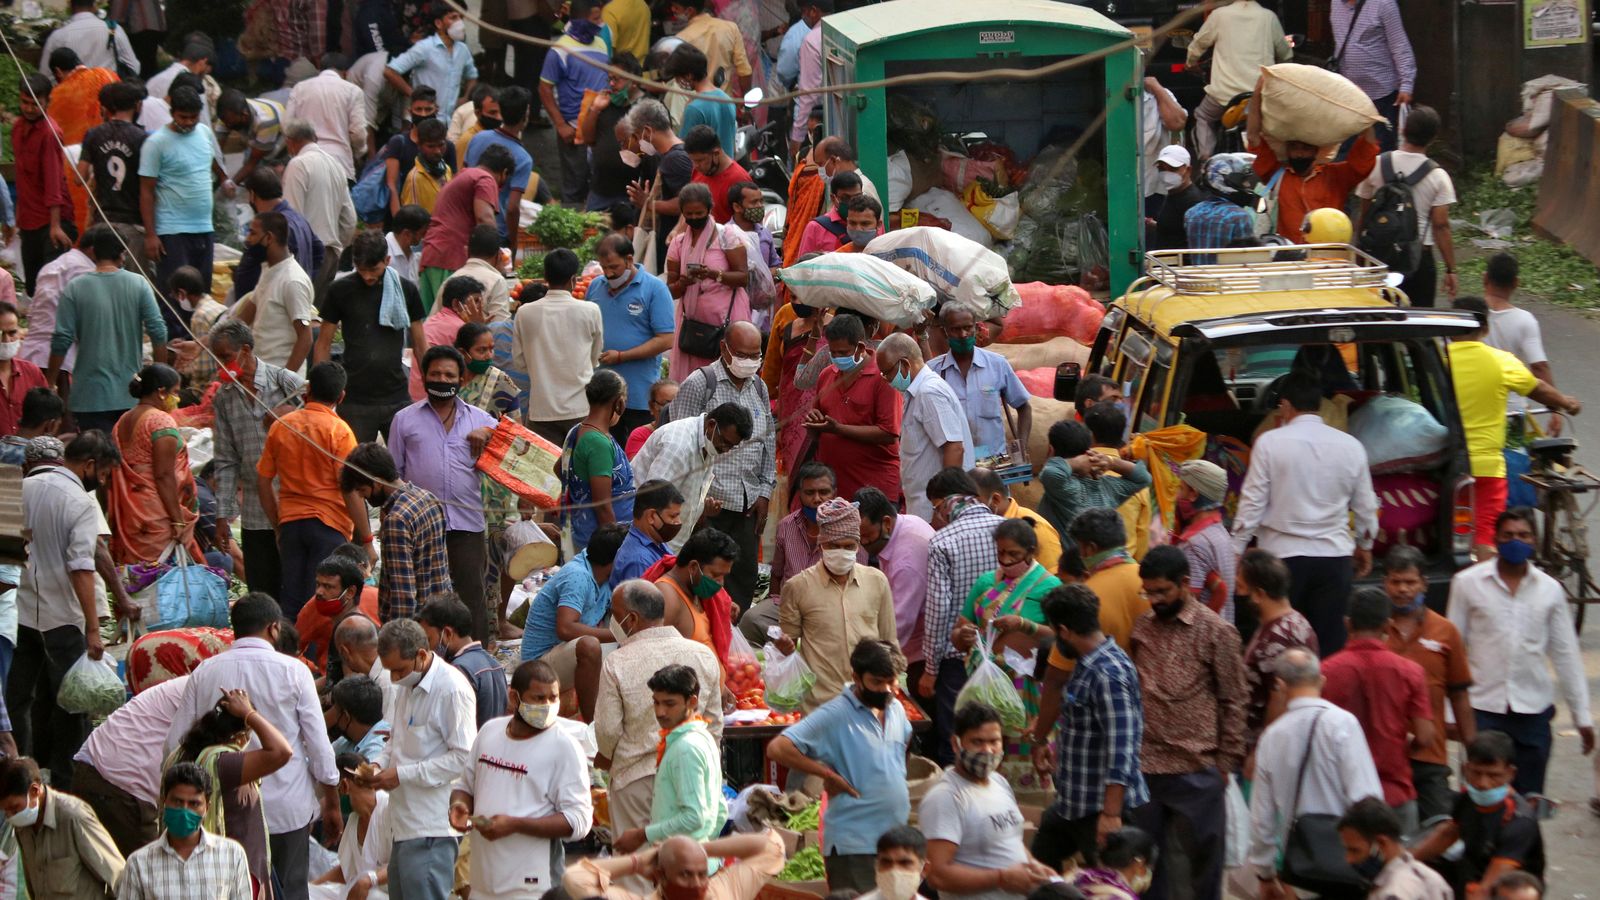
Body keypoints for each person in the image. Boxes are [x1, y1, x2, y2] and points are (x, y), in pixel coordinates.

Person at [164, 593, 341, 900]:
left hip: (223, 812)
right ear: (274, 629)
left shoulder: (206, 671)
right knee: (290, 890)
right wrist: (332, 801)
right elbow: (319, 747)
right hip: (286, 809)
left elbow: (175, 744)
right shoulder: (294, 670)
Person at [1128, 546, 1247, 900]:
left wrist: (1224, 764)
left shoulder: (1217, 632)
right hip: (1146, 764)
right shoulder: (1142, 628)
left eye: (1162, 591)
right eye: (1149, 592)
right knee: (1145, 864)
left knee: (1204, 864)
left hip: (1196, 766)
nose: (1155, 600)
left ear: (1185, 584)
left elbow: (1235, 699)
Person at [1232, 370, 1379, 655]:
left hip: (1282, 562)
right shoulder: (1351, 446)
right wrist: (1365, 546)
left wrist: (1236, 551)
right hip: (1334, 560)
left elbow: (1252, 503)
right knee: (1329, 650)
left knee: (1282, 646)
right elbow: (1365, 506)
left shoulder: (1270, 443)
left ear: (1285, 405)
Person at [1448, 506, 1592, 799]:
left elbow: (1565, 654)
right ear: (1497, 539)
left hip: (1532, 712)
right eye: (1509, 535)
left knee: (1529, 801)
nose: (1516, 541)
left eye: (1524, 535)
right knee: (1483, 795)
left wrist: (1582, 717)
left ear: (1534, 541)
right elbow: (1451, 650)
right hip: (1482, 709)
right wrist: (1449, 712)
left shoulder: (1550, 590)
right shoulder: (1467, 584)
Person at [9, 431, 118, 787]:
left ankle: (20, 770)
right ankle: (68, 781)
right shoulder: (81, 503)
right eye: (102, 475)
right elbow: (81, 568)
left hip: (19, 612)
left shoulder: (16, 487)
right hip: (63, 619)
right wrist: (91, 627)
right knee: (72, 705)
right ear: (88, 465)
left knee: (21, 698)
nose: (101, 483)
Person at [768, 639, 913, 893]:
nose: (888, 690)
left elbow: (901, 745)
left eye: (892, 681)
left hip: (893, 842)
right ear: (856, 678)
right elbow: (778, 748)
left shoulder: (897, 709)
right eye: (877, 683)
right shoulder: (835, 715)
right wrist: (825, 774)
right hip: (854, 846)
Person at [1447, 297, 1580, 556]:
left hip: (1447, 467)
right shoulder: (1501, 360)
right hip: (1488, 469)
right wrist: (1566, 403)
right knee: (1485, 536)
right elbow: (1538, 388)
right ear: (1485, 328)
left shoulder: (1439, 359)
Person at [450, 658, 593, 899]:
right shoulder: (490, 732)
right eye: (539, 698)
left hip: (533, 887)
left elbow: (579, 821)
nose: (547, 706)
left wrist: (515, 825)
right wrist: (459, 806)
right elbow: (466, 786)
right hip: (483, 882)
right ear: (514, 698)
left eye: (553, 698)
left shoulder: (565, 747)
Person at [595, 580, 724, 846]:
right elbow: (713, 724)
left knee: (635, 871)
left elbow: (607, 730)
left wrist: (607, 757)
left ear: (631, 618)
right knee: (684, 866)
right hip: (690, 771)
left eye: (615, 615)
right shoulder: (703, 655)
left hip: (635, 777)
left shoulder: (618, 662)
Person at [1247, 648, 1383, 900]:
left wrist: (1264, 873)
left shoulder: (1271, 737)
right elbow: (1368, 798)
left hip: (1300, 868)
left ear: (1279, 685)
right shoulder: (1343, 724)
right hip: (1348, 861)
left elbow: (1261, 819)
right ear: (1321, 681)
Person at [357, 619, 476, 900]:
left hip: (432, 825)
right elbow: (395, 742)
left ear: (421, 655)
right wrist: (377, 765)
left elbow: (463, 758)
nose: (394, 679)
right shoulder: (406, 687)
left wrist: (401, 774)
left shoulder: (452, 690)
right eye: (390, 672)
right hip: (405, 824)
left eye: (399, 670)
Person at [1030, 585, 1146, 873]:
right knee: (1042, 863)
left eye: (1056, 634)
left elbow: (1122, 747)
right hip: (1074, 801)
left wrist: (1111, 814)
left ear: (1064, 631)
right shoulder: (1087, 663)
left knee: (1108, 882)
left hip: (1099, 809)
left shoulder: (1108, 673)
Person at [389, 344, 498, 639]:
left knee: (470, 593)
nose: (442, 379)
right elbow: (393, 476)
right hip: (421, 525)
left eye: (449, 374)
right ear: (424, 378)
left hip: (466, 522)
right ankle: (426, 657)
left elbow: (512, 446)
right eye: (435, 373)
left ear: (460, 379)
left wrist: (489, 434)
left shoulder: (480, 419)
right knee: (425, 596)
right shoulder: (404, 420)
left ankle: (475, 658)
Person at [665, 321, 773, 606]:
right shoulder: (700, 383)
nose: (749, 363)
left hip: (748, 504)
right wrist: (695, 503)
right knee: (706, 582)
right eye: (743, 355)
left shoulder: (759, 387)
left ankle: (732, 643)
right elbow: (679, 441)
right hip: (710, 505)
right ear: (724, 348)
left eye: (755, 356)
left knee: (742, 579)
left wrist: (765, 491)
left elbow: (768, 442)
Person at [949, 519, 1059, 786]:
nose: (1007, 561)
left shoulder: (1049, 586)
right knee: (984, 743)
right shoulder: (986, 583)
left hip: (1027, 687)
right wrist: (963, 636)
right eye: (1001, 554)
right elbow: (959, 633)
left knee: (1023, 747)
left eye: (1014, 554)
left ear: (1031, 551)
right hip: (985, 685)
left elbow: (1063, 637)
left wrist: (1024, 625)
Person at [1321, 587, 1435, 834]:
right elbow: (1426, 737)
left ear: (1347, 623)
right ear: (1387, 625)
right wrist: (1404, 746)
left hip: (1341, 796)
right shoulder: (1410, 671)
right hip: (1394, 793)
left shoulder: (1325, 672)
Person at [210, 319, 308, 601]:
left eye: (226, 357)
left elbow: (327, 410)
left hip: (295, 502)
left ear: (245, 350)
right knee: (263, 589)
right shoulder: (224, 399)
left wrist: (289, 413)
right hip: (254, 511)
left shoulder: (283, 381)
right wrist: (223, 514)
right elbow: (226, 459)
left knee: (297, 587)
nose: (221, 365)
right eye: (217, 359)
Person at [771, 498, 897, 709]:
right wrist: (783, 649)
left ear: (858, 546)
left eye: (849, 546)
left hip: (868, 703)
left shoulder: (877, 581)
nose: (841, 552)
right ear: (821, 545)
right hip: (819, 706)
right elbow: (787, 652)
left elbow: (889, 643)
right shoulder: (797, 586)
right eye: (833, 546)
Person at [921, 703, 1056, 900]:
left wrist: (1033, 864)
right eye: (977, 742)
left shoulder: (999, 782)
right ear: (956, 744)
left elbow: (1010, 839)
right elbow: (937, 876)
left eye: (994, 741)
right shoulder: (946, 798)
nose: (987, 750)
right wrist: (1001, 878)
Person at [259, 361, 363, 616]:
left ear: (307, 392)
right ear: (341, 396)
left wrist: (277, 523)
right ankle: (314, 656)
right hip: (330, 526)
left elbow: (262, 480)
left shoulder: (281, 425)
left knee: (292, 599)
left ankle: (289, 652)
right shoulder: (340, 431)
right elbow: (349, 488)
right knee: (325, 603)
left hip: (292, 524)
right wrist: (367, 538)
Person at [1383, 545, 1476, 821]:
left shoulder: (1445, 631)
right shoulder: (1371, 629)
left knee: (1438, 832)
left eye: (1410, 582)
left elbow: (1459, 695)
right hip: (1382, 759)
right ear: (1384, 583)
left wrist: (1472, 750)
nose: (1403, 589)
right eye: (1396, 582)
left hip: (1430, 758)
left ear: (1424, 583)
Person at [171, 687, 295, 897]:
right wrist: (250, 714)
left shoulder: (190, 753)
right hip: (235, 876)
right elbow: (282, 751)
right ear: (241, 737)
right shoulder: (223, 763)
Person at [46, 225, 168, 435]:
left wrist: (50, 382)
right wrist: (161, 378)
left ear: (93, 252)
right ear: (123, 254)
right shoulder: (138, 284)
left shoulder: (75, 287)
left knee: (96, 459)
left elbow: (61, 339)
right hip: (130, 394)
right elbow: (158, 331)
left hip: (88, 395)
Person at [921, 469, 1005, 763]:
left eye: (935, 507)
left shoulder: (943, 541)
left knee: (955, 739)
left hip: (959, 658)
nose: (937, 515)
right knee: (997, 739)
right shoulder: (1008, 529)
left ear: (945, 503)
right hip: (1006, 656)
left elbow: (938, 608)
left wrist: (930, 669)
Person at [314, 231, 430, 442]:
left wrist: (431, 385)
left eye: (374, 269)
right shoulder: (340, 290)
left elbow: (420, 343)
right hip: (354, 398)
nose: (367, 276)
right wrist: (320, 392)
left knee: (404, 464)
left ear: (387, 261)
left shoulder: (406, 290)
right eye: (362, 269)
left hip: (396, 395)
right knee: (356, 466)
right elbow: (323, 343)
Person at [1410, 731, 1546, 895]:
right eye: (1476, 773)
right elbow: (1448, 833)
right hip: (1471, 876)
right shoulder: (1467, 797)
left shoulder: (1519, 821)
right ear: (1466, 769)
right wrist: (1405, 860)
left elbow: (1488, 888)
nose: (1483, 783)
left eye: (1493, 775)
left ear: (1510, 773)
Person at [520, 519, 628, 718]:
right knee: (590, 646)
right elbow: (566, 629)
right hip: (538, 664)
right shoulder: (578, 576)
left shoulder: (605, 576)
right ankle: (592, 723)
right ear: (616, 559)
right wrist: (618, 634)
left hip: (561, 654)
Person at [612, 664, 725, 852]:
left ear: (692, 702)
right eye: (656, 702)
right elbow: (720, 812)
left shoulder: (685, 748)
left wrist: (642, 835)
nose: (660, 712)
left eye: (669, 704)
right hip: (694, 859)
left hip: (684, 863)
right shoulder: (703, 738)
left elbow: (694, 817)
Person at [1246, 85, 1378, 242]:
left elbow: (1366, 152)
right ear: (1287, 150)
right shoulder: (1276, 174)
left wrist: (1363, 107)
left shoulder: (1336, 176)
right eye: (1294, 148)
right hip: (1287, 254)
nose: (1300, 154)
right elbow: (1253, 137)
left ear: (1316, 151)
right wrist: (1257, 95)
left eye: (1306, 149)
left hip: (1327, 255)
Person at [340, 442, 455, 621]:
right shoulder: (428, 497)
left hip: (418, 625)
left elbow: (403, 594)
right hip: (442, 614)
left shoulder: (396, 521)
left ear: (377, 482)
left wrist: (400, 639)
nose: (363, 498)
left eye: (363, 491)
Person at [1355, 105, 1457, 305]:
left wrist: (1361, 253)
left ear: (1403, 130)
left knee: (1379, 321)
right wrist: (1451, 269)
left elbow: (1365, 215)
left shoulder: (1375, 165)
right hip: (1419, 259)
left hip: (1380, 256)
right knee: (1419, 324)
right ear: (1433, 138)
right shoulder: (1438, 176)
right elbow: (1441, 226)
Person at [138, 85, 214, 335]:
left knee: (201, 292)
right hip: (172, 229)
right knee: (175, 296)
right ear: (172, 113)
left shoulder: (204, 133)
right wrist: (151, 234)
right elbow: (146, 190)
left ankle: (199, 344)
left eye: (194, 117)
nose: (189, 123)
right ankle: (172, 346)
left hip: (204, 227)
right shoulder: (156, 143)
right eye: (183, 117)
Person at [117, 762, 254, 899]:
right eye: (177, 802)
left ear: (207, 807)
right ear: (164, 802)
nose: (184, 811)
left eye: (194, 804)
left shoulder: (232, 855)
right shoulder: (139, 863)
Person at [107, 364, 200, 565]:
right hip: (156, 509)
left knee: (137, 575)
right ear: (161, 392)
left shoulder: (123, 420)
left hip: (129, 509)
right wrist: (177, 519)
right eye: (175, 392)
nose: (177, 398)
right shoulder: (160, 421)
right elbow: (164, 475)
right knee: (160, 574)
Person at [632, 402, 754, 553]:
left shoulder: (710, 441)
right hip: (650, 545)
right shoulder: (679, 446)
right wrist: (654, 554)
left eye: (731, 446)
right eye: (725, 443)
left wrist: (702, 508)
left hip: (671, 546)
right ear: (711, 425)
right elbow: (653, 503)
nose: (726, 449)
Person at [807, 312, 902, 504]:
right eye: (833, 353)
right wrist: (814, 423)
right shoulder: (827, 375)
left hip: (874, 489)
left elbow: (889, 432)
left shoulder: (884, 376)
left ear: (861, 346)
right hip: (833, 489)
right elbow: (818, 425)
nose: (837, 358)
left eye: (843, 353)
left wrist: (838, 429)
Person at [513, 248, 605, 446]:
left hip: (541, 409)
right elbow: (594, 358)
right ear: (574, 279)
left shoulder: (524, 313)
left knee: (545, 472)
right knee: (580, 471)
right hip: (581, 408)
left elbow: (520, 363)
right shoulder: (590, 311)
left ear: (545, 277)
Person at [878, 333, 972, 521]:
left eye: (887, 372)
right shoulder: (917, 392)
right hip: (926, 507)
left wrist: (945, 506)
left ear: (904, 364)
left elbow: (954, 448)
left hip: (936, 510)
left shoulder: (929, 392)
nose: (886, 380)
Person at [592, 233, 676, 443]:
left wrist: (622, 356)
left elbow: (666, 339)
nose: (609, 274)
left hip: (638, 395)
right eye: (604, 268)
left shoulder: (654, 288)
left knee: (635, 453)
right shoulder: (595, 286)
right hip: (603, 393)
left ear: (629, 259)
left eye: (614, 267)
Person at [0, 754, 122, 897]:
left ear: (35, 791)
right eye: (5, 811)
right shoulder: (22, 826)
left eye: (14, 808)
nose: (10, 816)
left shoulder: (74, 817)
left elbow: (118, 877)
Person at [665, 184, 752, 382]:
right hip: (693, 326)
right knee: (694, 382)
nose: (695, 218)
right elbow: (672, 290)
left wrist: (712, 274)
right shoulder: (678, 243)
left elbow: (742, 277)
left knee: (728, 378)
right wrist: (683, 283)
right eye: (689, 214)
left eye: (699, 213)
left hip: (726, 322)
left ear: (709, 209)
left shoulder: (727, 237)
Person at [1185, 0, 1290, 158]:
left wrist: (1191, 63)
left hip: (1223, 96)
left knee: (1203, 116)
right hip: (1259, 95)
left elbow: (1198, 45)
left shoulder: (1219, 16)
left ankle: (1206, 159)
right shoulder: (1269, 17)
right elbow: (1286, 54)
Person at [1235, 548, 1318, 748]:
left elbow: (1280, 697)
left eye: (1240, 587)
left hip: (1271, 750)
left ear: (1259, 594)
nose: (1236, 593)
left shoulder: (1281, 637)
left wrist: (1262, 751)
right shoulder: (1288, 624)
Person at [855, 486, 935, 689]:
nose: (863, 543)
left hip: (925, 655)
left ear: (887, 523)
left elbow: (899, 623)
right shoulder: (906, 523)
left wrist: (865, 658)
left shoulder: (905, 564)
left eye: (867, 536)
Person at [929, 306, 1031, 461]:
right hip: (954, 466)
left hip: (994, 464)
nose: (963, 335)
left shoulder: (997, 365)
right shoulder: (934, 371)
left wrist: (1021, 447)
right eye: (956, 329)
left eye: (968, 328)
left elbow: (1024, 407)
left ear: (976, 328)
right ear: (945, 332)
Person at [563, 829, 785, 900]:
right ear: (660, 875)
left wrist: (699, 848)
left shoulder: (722, 891)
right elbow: (575, 878)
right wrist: (638, 861)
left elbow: (772, 848)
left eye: (702, 874)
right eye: (686, 874)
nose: (697, 883)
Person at [418, 145, 514, 307]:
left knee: (432, 324)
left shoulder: (463, 175)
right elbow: (485, 220)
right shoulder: (485, 179)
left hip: (432, 255)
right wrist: (497, 257)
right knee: (454, 320)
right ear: (504, 172)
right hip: (449, 258)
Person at [538, 0, 610, 204]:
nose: (601, 23)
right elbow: (544, 89)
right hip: (573, 129)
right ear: (580, 19)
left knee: (597, 183)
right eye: (596, 19)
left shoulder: (601, 44)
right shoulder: (560, 49)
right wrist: (560, 125)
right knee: (575, 184)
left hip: (600, 128)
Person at [11, 73, 74, 295]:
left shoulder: (49, 133)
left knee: (51, 288)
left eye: (35, 104)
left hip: (52, 220)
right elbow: (21, 177)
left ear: (47, 102)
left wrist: (55, 226)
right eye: (25, 102)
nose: (29, 109)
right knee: (33, 287)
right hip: (29, 218)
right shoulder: (18, 129)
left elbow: (54, 181)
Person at [1036, 421, 1151, 539]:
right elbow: (1143, 478)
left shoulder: (1064, 488)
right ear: (1087, 451)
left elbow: (1050, 472)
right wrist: (1111, 462)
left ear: (1050, 450)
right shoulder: (1109, 489)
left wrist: (1076, 463)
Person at [1330, 0, 1416, 150]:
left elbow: (1400, 45)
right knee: (1345, 151)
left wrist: (1406, 85)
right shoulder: (1336, 3)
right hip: (1348, 94)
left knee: (1380, 150)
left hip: (1381, 94)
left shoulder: (1384, 4)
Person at [281, 120, 358, 285]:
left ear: (290, 142)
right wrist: (337, 250)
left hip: (308, 255)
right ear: (314, 138)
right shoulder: (336, 166)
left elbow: (292, 218)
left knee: (302, 309)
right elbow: (350, 220)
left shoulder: (298, 165)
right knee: (318, 310)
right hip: (330, 254)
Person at [309, 750, 392, 898]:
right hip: (357, 891)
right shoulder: (355, 820)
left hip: (386, 894)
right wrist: (310, 887)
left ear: (345, 785)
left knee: (372, 896)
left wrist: (370, 880)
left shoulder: (388, 809)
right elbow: (345, 871)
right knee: (308, 894)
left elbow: (403, 863)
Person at [418, 594, 509, 729]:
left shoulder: (457, 671)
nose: (427, 648)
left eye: (429, 639)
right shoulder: (494, 663)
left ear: (448, 633)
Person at [240, 212, 315, 375]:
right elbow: (243, 319)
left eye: (253, 233)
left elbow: (306, 338)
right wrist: (204, 342)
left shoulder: (293, 280)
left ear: (269, 238)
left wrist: (284, 381)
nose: (248, 239)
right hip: (261, 376)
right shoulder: (269, 270)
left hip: (279, 381)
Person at [232, 169, 325, 301]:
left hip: (271, 304)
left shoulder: (273, 226)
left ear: (252, 195)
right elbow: (319, 250)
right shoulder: (298, 219)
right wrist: (307, 278)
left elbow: (251, 269)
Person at [622, 101, 695, 264]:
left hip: (671, 245)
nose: (636, 142)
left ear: (647, 131)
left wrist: (647, 203)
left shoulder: (676, 159)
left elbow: (685, 205)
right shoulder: (670, 156)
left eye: (636, 135)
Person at [385, 4, 477, 133]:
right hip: (421, 121)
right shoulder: (425, 48)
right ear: (439, 23)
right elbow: (390, 71)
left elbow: (472, 75)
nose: (460, 22)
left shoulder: (463, 50)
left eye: (461, 18)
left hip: (447, 123)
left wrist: (466, 97)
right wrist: (415, 95)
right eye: (453, 17)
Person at [1336, 797, 1452, 899]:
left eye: (1354, 850)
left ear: (1381, 843)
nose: (1348, 859)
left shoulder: (1393, 893)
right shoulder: (1432, 878)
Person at [464, 85, 536, 241]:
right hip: (495, 232)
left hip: (467, 224)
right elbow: (512, 208)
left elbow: (463, 175)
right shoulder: (523, 159)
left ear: (501, 112)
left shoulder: (478, 138)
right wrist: (513, 240)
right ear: (526, 115)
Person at [1081, 404, 1151, 561]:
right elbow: (1143, 538)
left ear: (1090, 435)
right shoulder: (1137, 483)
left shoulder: (1077, 473)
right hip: (1125, 568)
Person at [1170, 459, 1235, 620]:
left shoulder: (1194, 543)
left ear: (1193, 494)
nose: (1177, 496)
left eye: (1181, 488)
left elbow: (1188, 608)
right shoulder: (1221, 533)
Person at [286, 56, 370, 182]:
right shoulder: (353, 91)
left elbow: (287, 125)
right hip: (339, 163)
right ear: (345, 73)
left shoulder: (300, 88)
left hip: (304, 162)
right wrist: (359, 151)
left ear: (319, 70)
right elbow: (358, 133)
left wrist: (294, 151)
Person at [767, 462, 844, 597]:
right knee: (753, 617)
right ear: (799, 494)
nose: (817, 499)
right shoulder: (786, 526)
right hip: (791, 603)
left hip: (831, 604)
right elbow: (776, 575)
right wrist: (776, 604)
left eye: (824, 492)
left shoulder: (847, 528)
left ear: (834, 493)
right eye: (809, 493)